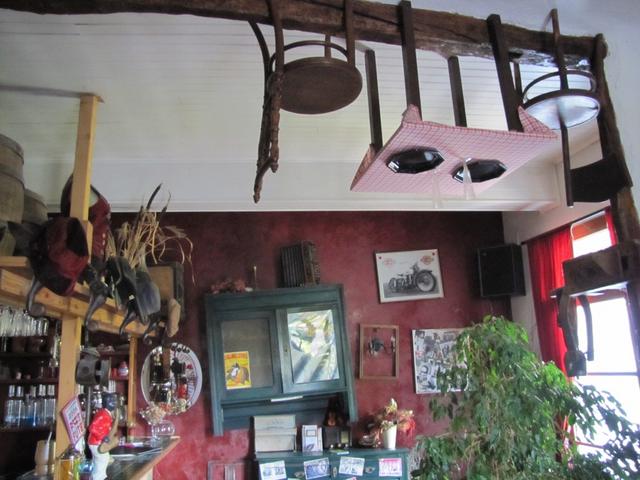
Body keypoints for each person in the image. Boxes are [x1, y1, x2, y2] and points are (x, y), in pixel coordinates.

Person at [87, 393, 120, 480]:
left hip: (97, 442)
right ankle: (98, 477)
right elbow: (92, 427)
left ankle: (96, 477)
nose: (114, 403)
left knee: (100, 460)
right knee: (102, 459)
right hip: (97, 443)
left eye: (114, 401)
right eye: (112, 401)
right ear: (107, 402)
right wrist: (103, 437)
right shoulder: (103, 414)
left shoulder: (105, 413)